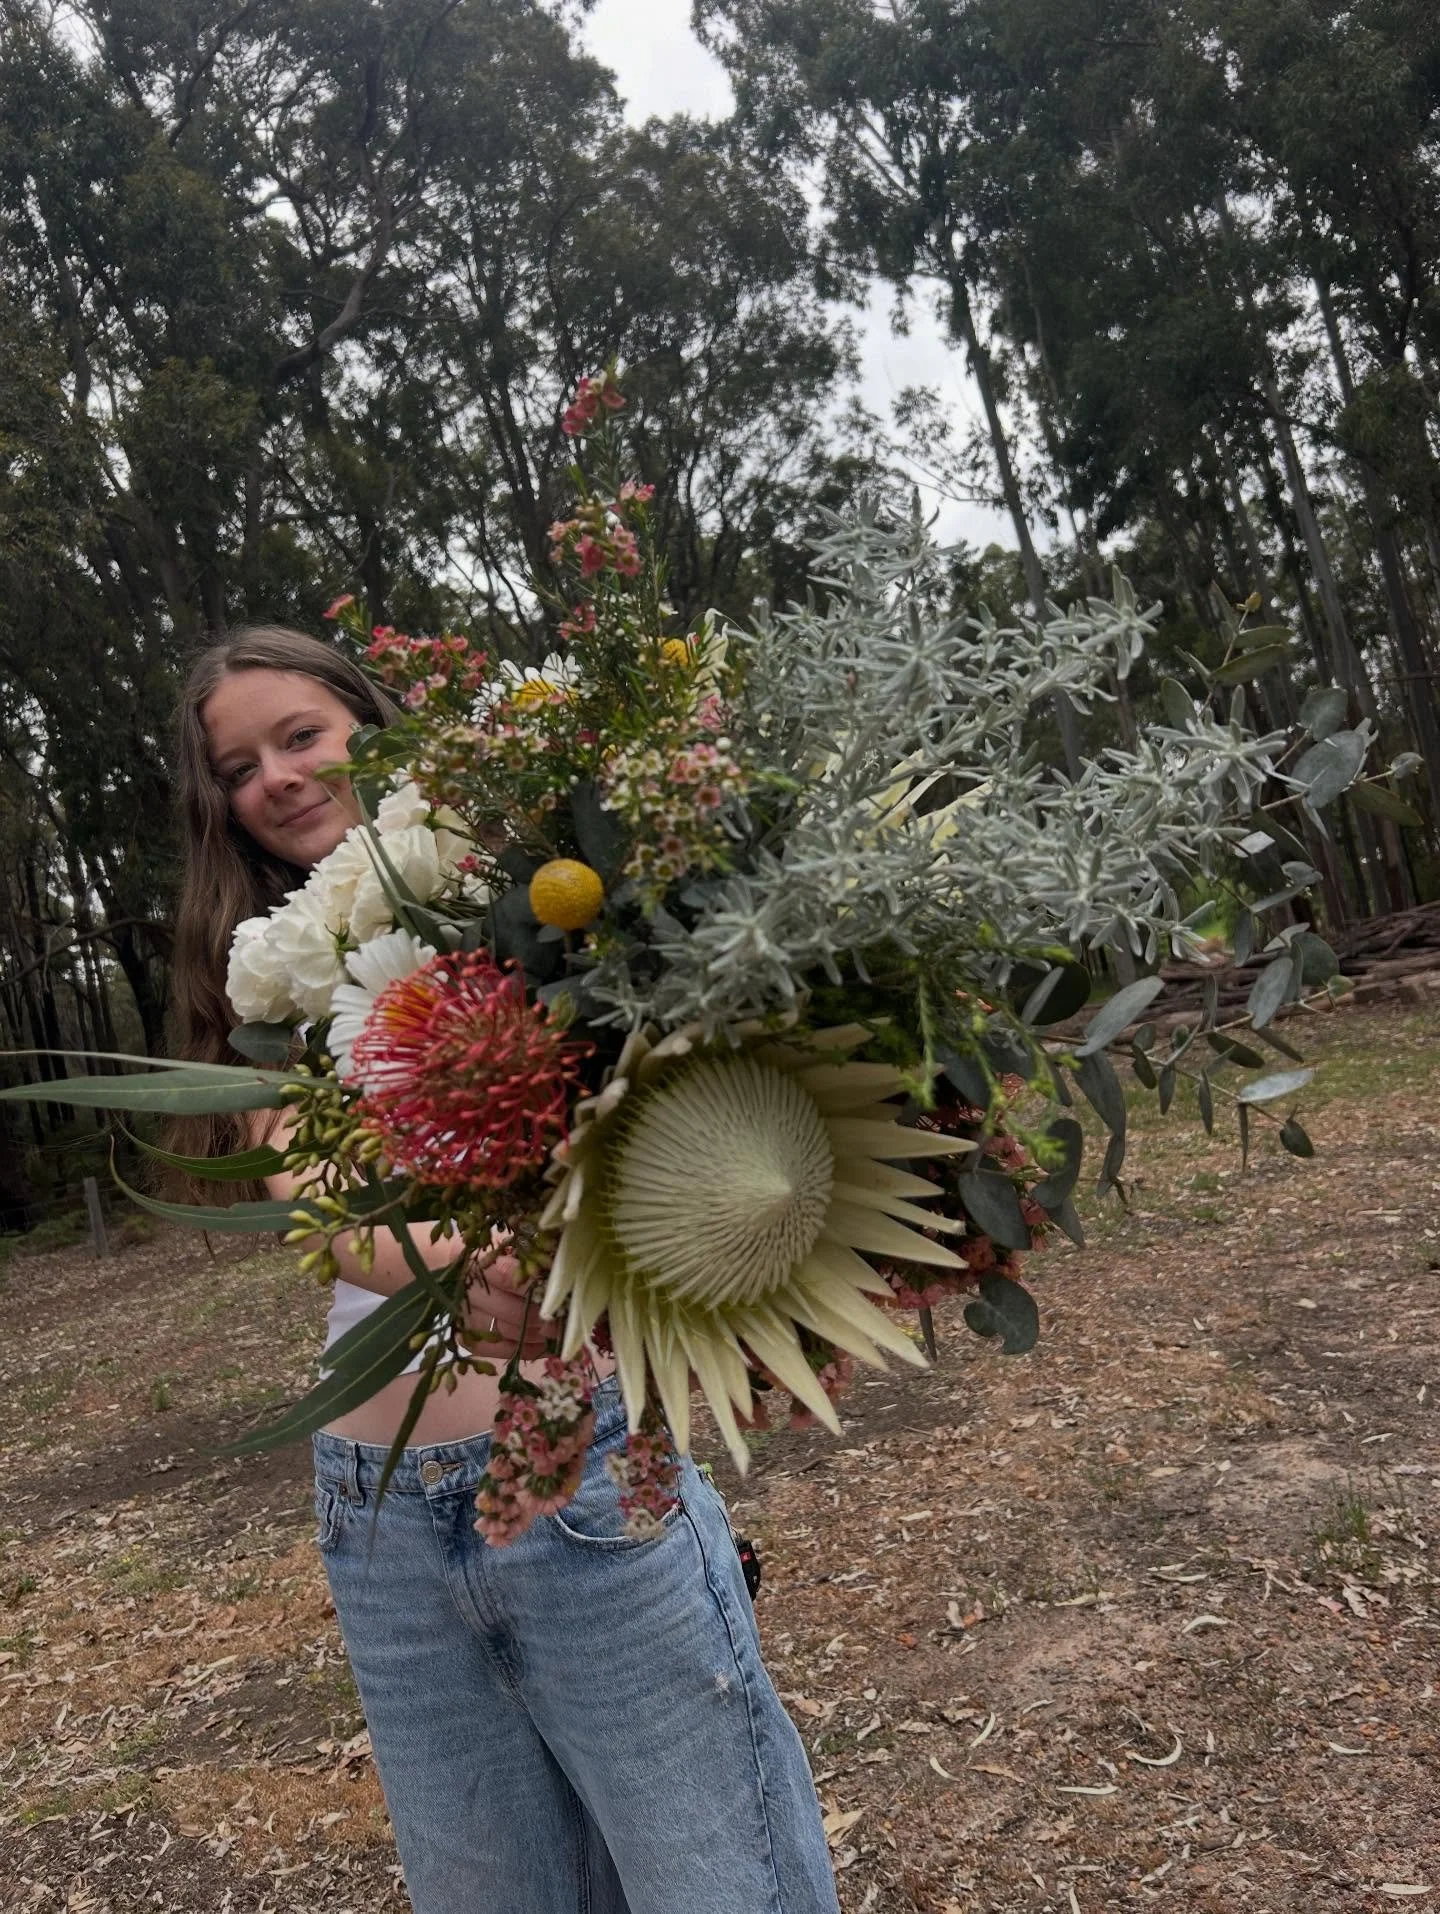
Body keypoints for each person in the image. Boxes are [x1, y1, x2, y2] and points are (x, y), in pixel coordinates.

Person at [170, 625, 841, 1914]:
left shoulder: (532, 888)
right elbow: (311, 1195)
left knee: (721, 1883)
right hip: (375, 1520)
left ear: (370, 721)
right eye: (240, 765)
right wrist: (462, 1262)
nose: (279, 777)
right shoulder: (262, 973)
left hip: (581, 1470)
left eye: (300, 736)